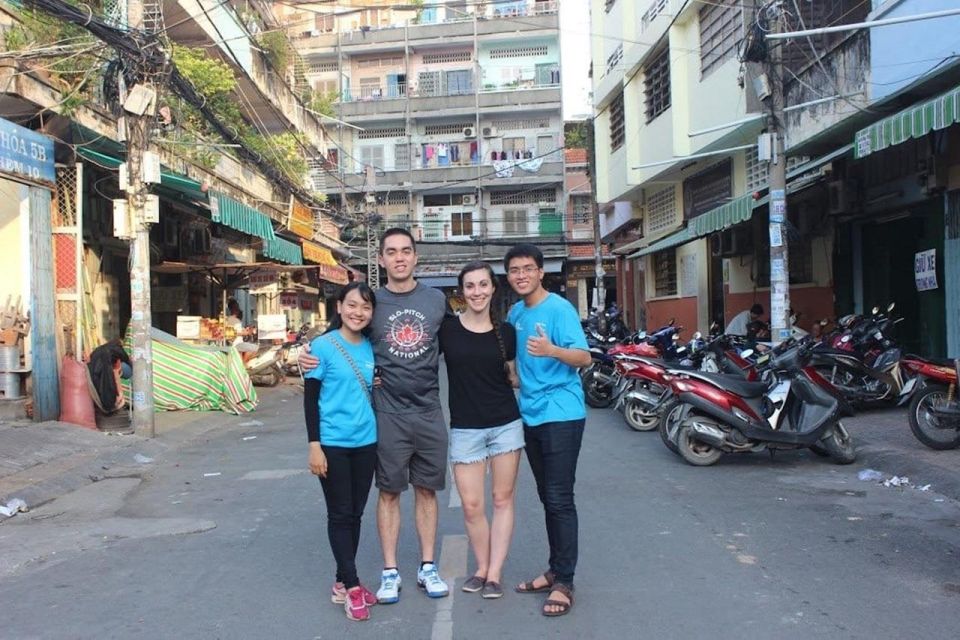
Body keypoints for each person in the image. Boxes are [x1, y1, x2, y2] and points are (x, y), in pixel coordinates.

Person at [300, 228, 450, 603]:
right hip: (387, 415)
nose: (399, 258)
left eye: (406, 251)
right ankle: (389, 571)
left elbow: (456, 346)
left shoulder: (435, 301)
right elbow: (343, 329)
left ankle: (427, 567)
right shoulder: (373, 301)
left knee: (427, 490)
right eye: (391, 252)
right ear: (381, 259)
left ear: (416, 257)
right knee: (388, 492)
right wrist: (307, 355)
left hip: (429, 410)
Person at [503, 244, 591, 617]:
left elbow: (584, 357)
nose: (521, 275)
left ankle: (565, 581)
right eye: (514, 270)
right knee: (546, 496)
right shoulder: (515, 312)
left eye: (527, 268)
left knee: (559, 497)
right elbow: (515, 366)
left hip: (562, 413)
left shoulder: (559, 308)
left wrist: (552, 350)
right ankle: (556, 568)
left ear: (541, 272)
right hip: (532, 414)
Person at [439, 261, 522, 600]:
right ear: (463, 292)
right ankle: (480, 566)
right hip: (465, 429)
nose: (477, 292)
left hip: (505, 424)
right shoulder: (446, 330)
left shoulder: (507, 333)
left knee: (502, 499)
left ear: (493, 288)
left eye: (483, 285)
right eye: (470, 286)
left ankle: (493, 573)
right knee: (472, 505)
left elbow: (512, 375)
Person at [303, 282, 379, 621]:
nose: (357, 312)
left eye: (365, 307)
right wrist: (314, 446)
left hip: (366, 441)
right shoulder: (322, 346)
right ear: (339, 307)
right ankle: (351, 586)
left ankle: (340, 581)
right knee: (339, 513)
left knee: (356, 514)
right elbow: (310, 399)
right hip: (332, 443)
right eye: (352, 305)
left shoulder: (369, 346)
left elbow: (368, 382)